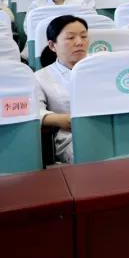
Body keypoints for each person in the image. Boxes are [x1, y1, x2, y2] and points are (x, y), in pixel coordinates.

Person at [34, 15, 88, 163]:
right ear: (52, 45)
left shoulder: (103, 66)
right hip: (71, 137)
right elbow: (35, 110)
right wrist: (61, 120)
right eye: (70, 38)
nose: (79, 42)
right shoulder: (40, 77)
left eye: (84, 36)